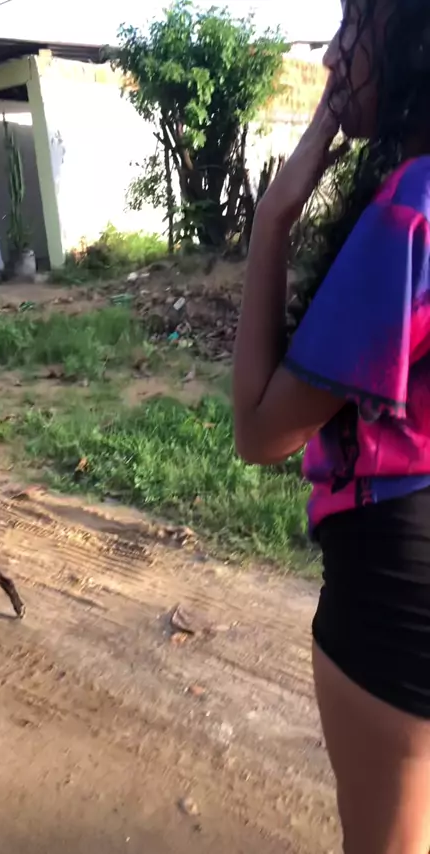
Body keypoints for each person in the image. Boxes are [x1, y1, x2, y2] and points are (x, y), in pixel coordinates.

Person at [233, 1, 430, 851]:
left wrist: (273, 218)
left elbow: (259, 432)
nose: (331, 54)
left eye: (356, 23)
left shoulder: (410, 215)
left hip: (396, 604)